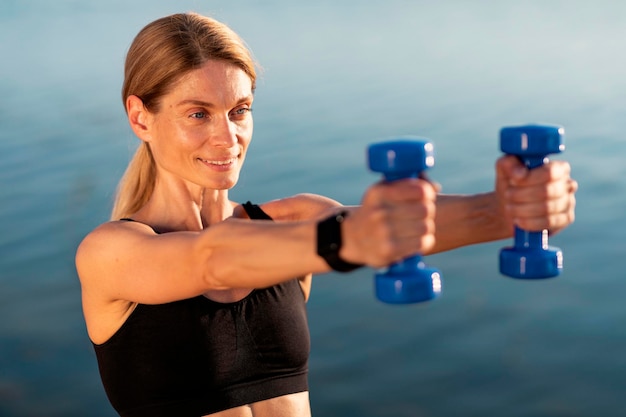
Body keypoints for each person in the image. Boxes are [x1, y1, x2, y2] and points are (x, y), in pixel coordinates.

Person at [75, 12, 578, 417]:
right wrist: (347, 241)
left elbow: (404, 225)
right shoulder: (111, 254)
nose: (228, 138)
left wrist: (508, 209)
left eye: (240, 110)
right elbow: (212, 260)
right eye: (198, 113)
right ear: (141, 117)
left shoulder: (289, 220)